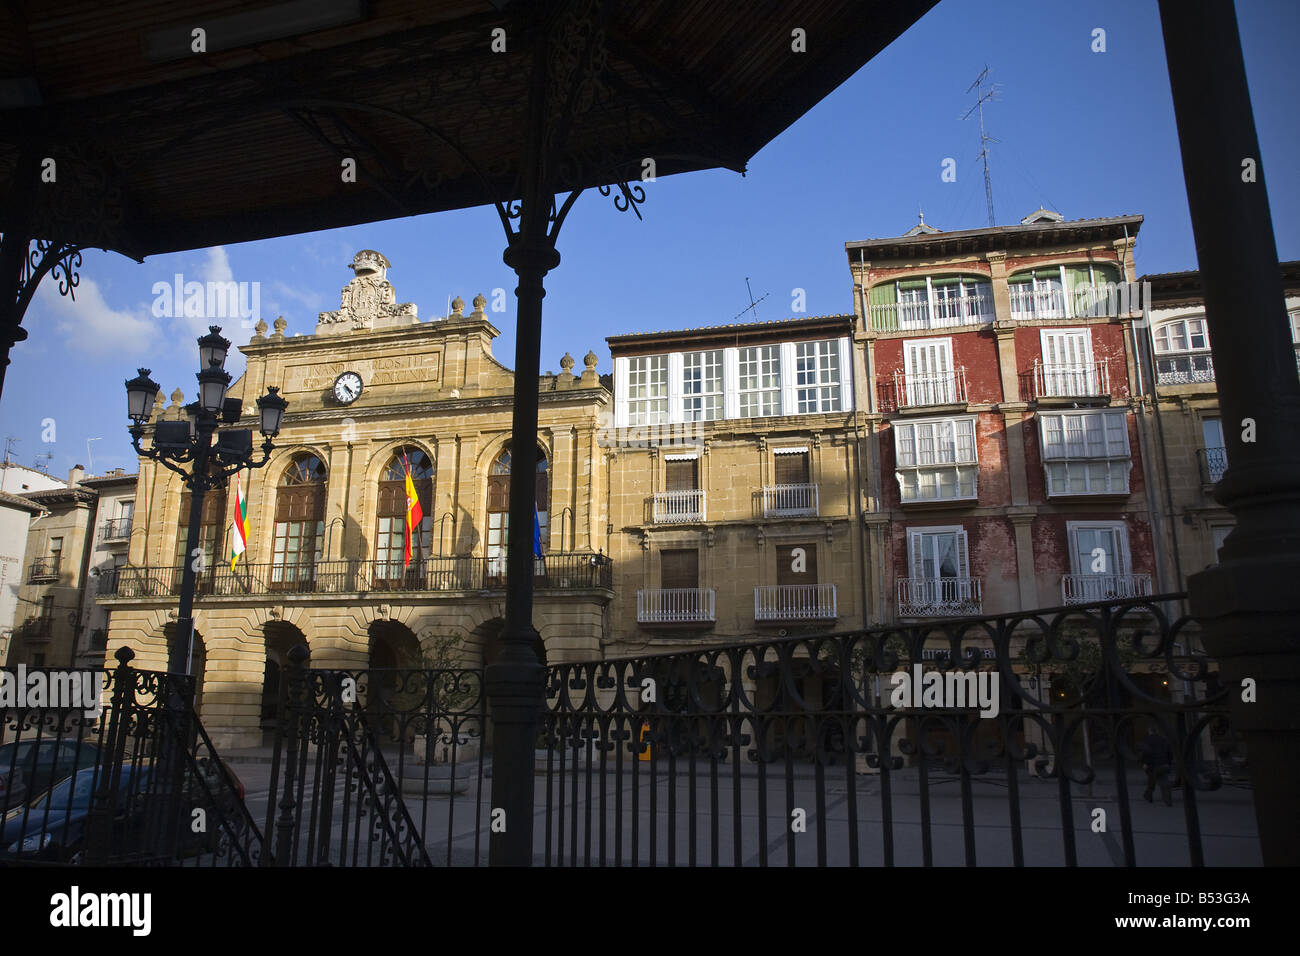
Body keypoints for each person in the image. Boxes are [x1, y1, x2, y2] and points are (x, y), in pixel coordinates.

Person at [1139, 725, 1174, 806]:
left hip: (1153, 764)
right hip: (1164, 763)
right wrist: (1169, 762)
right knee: (1164, 781)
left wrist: (1145, 763)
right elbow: (1169, 752)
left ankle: (1149, 795)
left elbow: (1145, 753)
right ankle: (1167, 800)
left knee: (1153, 779)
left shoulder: (1147, 740)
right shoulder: (1163, 740)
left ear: (1149, 731)